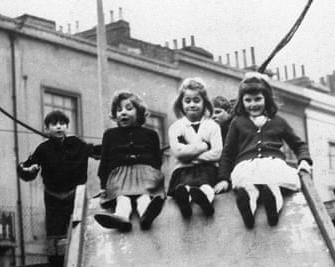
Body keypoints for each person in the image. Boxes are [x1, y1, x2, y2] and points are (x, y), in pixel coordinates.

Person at [217, 72, 313, 229]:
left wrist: (304, 160)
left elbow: (298, 144)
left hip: (272, 163)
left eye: (258, 99)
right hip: (247, 165)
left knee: (274, 181)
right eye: (248, 100)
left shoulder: (278, 121)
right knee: (247, 184)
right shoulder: (237, 123)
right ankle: (248, 205)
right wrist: (223, 178)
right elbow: (228, 152)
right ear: (241, 101)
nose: (253, 104)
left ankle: (273, 203)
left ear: (266, 99)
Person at [17, 110, 98, 266]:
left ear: (67, 126)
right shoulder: (43, 148)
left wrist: (114, 148)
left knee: (78, 227)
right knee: (55, 233)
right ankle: (57, 262)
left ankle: (85, 259)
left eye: (62, 124)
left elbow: (94, 151)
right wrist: (29, 169)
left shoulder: (76, 143)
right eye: (54, 124)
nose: (59, 127)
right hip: (53, 196)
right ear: (47, 129)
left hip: (75, 195)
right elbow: (27, 168)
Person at [94, 90, 165, 232]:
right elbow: (105, 160)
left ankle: (147, 215)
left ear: (139, 112)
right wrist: (103, 185)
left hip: (145, 174)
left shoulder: (151, 134)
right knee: (122, 199)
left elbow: (157, 159)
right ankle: (121, 218)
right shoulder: (110, 135)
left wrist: (156, 177)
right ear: (115, 115)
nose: (123, 113)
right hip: (119, 177)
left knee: (144, 197)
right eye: (119, 110)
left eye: (129, 108)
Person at [168, 77, 227, 218]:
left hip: (207, 169)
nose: (192, 105)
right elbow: (178, 152)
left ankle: (206, 202)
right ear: (181, 104)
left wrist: (191, 157)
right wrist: (203, 146)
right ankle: (185, 204)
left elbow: (217, 153)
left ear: (204, 103)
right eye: (187, 101)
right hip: (182, 171)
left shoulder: (212, 126)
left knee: (206, 186)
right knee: (184, 188)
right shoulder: (176, 127)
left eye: (196, 100)